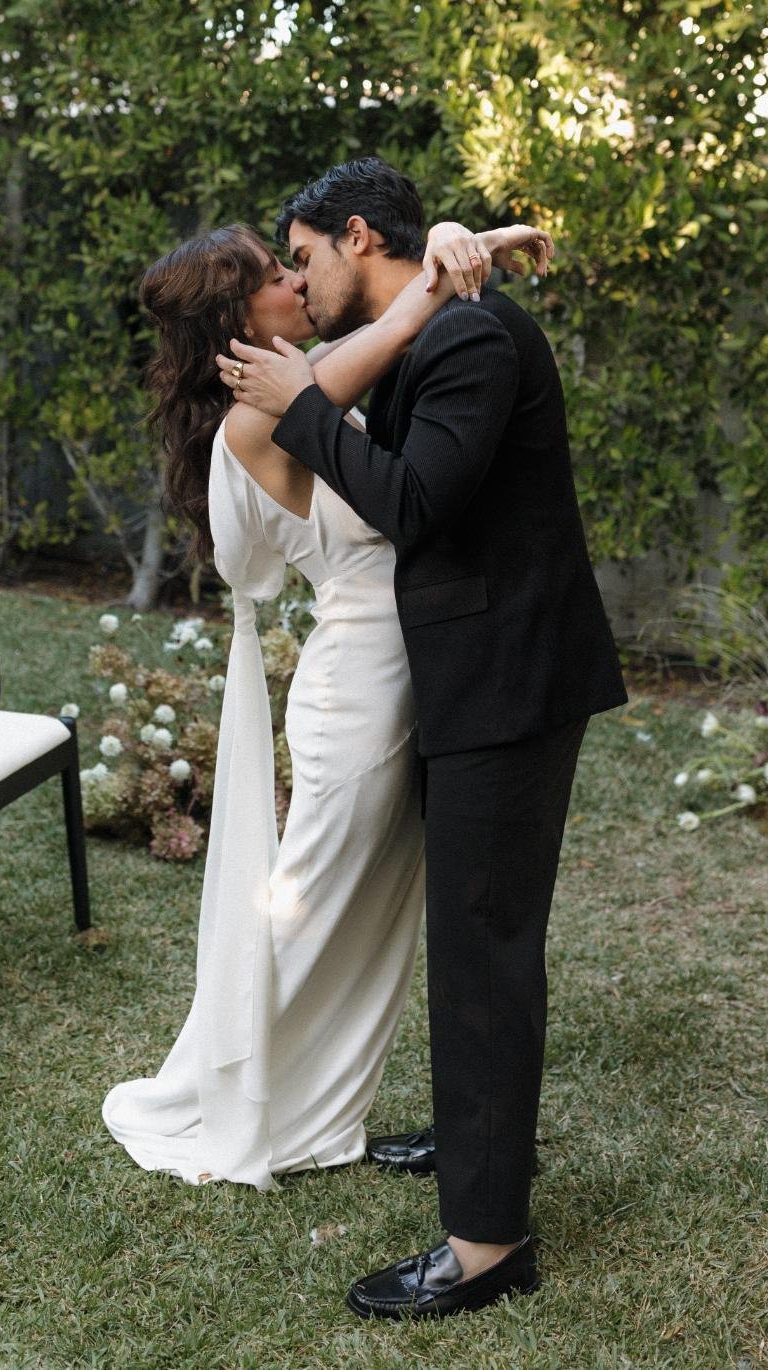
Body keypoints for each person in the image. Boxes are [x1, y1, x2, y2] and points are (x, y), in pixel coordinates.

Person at [218, 156, 627, 1320]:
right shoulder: (436, 322)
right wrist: (464, 241)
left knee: (484, 947)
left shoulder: (475, 343)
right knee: (469, 934)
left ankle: (489, 1241)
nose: (298, 281)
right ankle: (473, 1140)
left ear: (356, 236)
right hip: (467, 673)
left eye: (304, 257)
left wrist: (301, 400)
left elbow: (412, 503)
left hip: (509, 676)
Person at [102, 212, 545, 1191]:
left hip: (397, 667)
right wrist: (459, 242)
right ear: (235, 314)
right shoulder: (262, 409)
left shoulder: (294, 381)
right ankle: (214, 1091)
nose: (294, 282)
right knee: (304, 918)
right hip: (362, 688)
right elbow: (395, 327)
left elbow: (390, 321)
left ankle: (317, 1109)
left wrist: (454, 236)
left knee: (367, 917)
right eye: (271, 274)